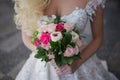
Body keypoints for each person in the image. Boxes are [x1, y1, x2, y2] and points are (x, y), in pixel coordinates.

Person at [14, 0, 118, 80]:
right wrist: (47, 54)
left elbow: (98, 38)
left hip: (78, 57)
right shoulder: (29, 2)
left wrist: (77, 63)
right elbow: (26, 37)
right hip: (43, 63)